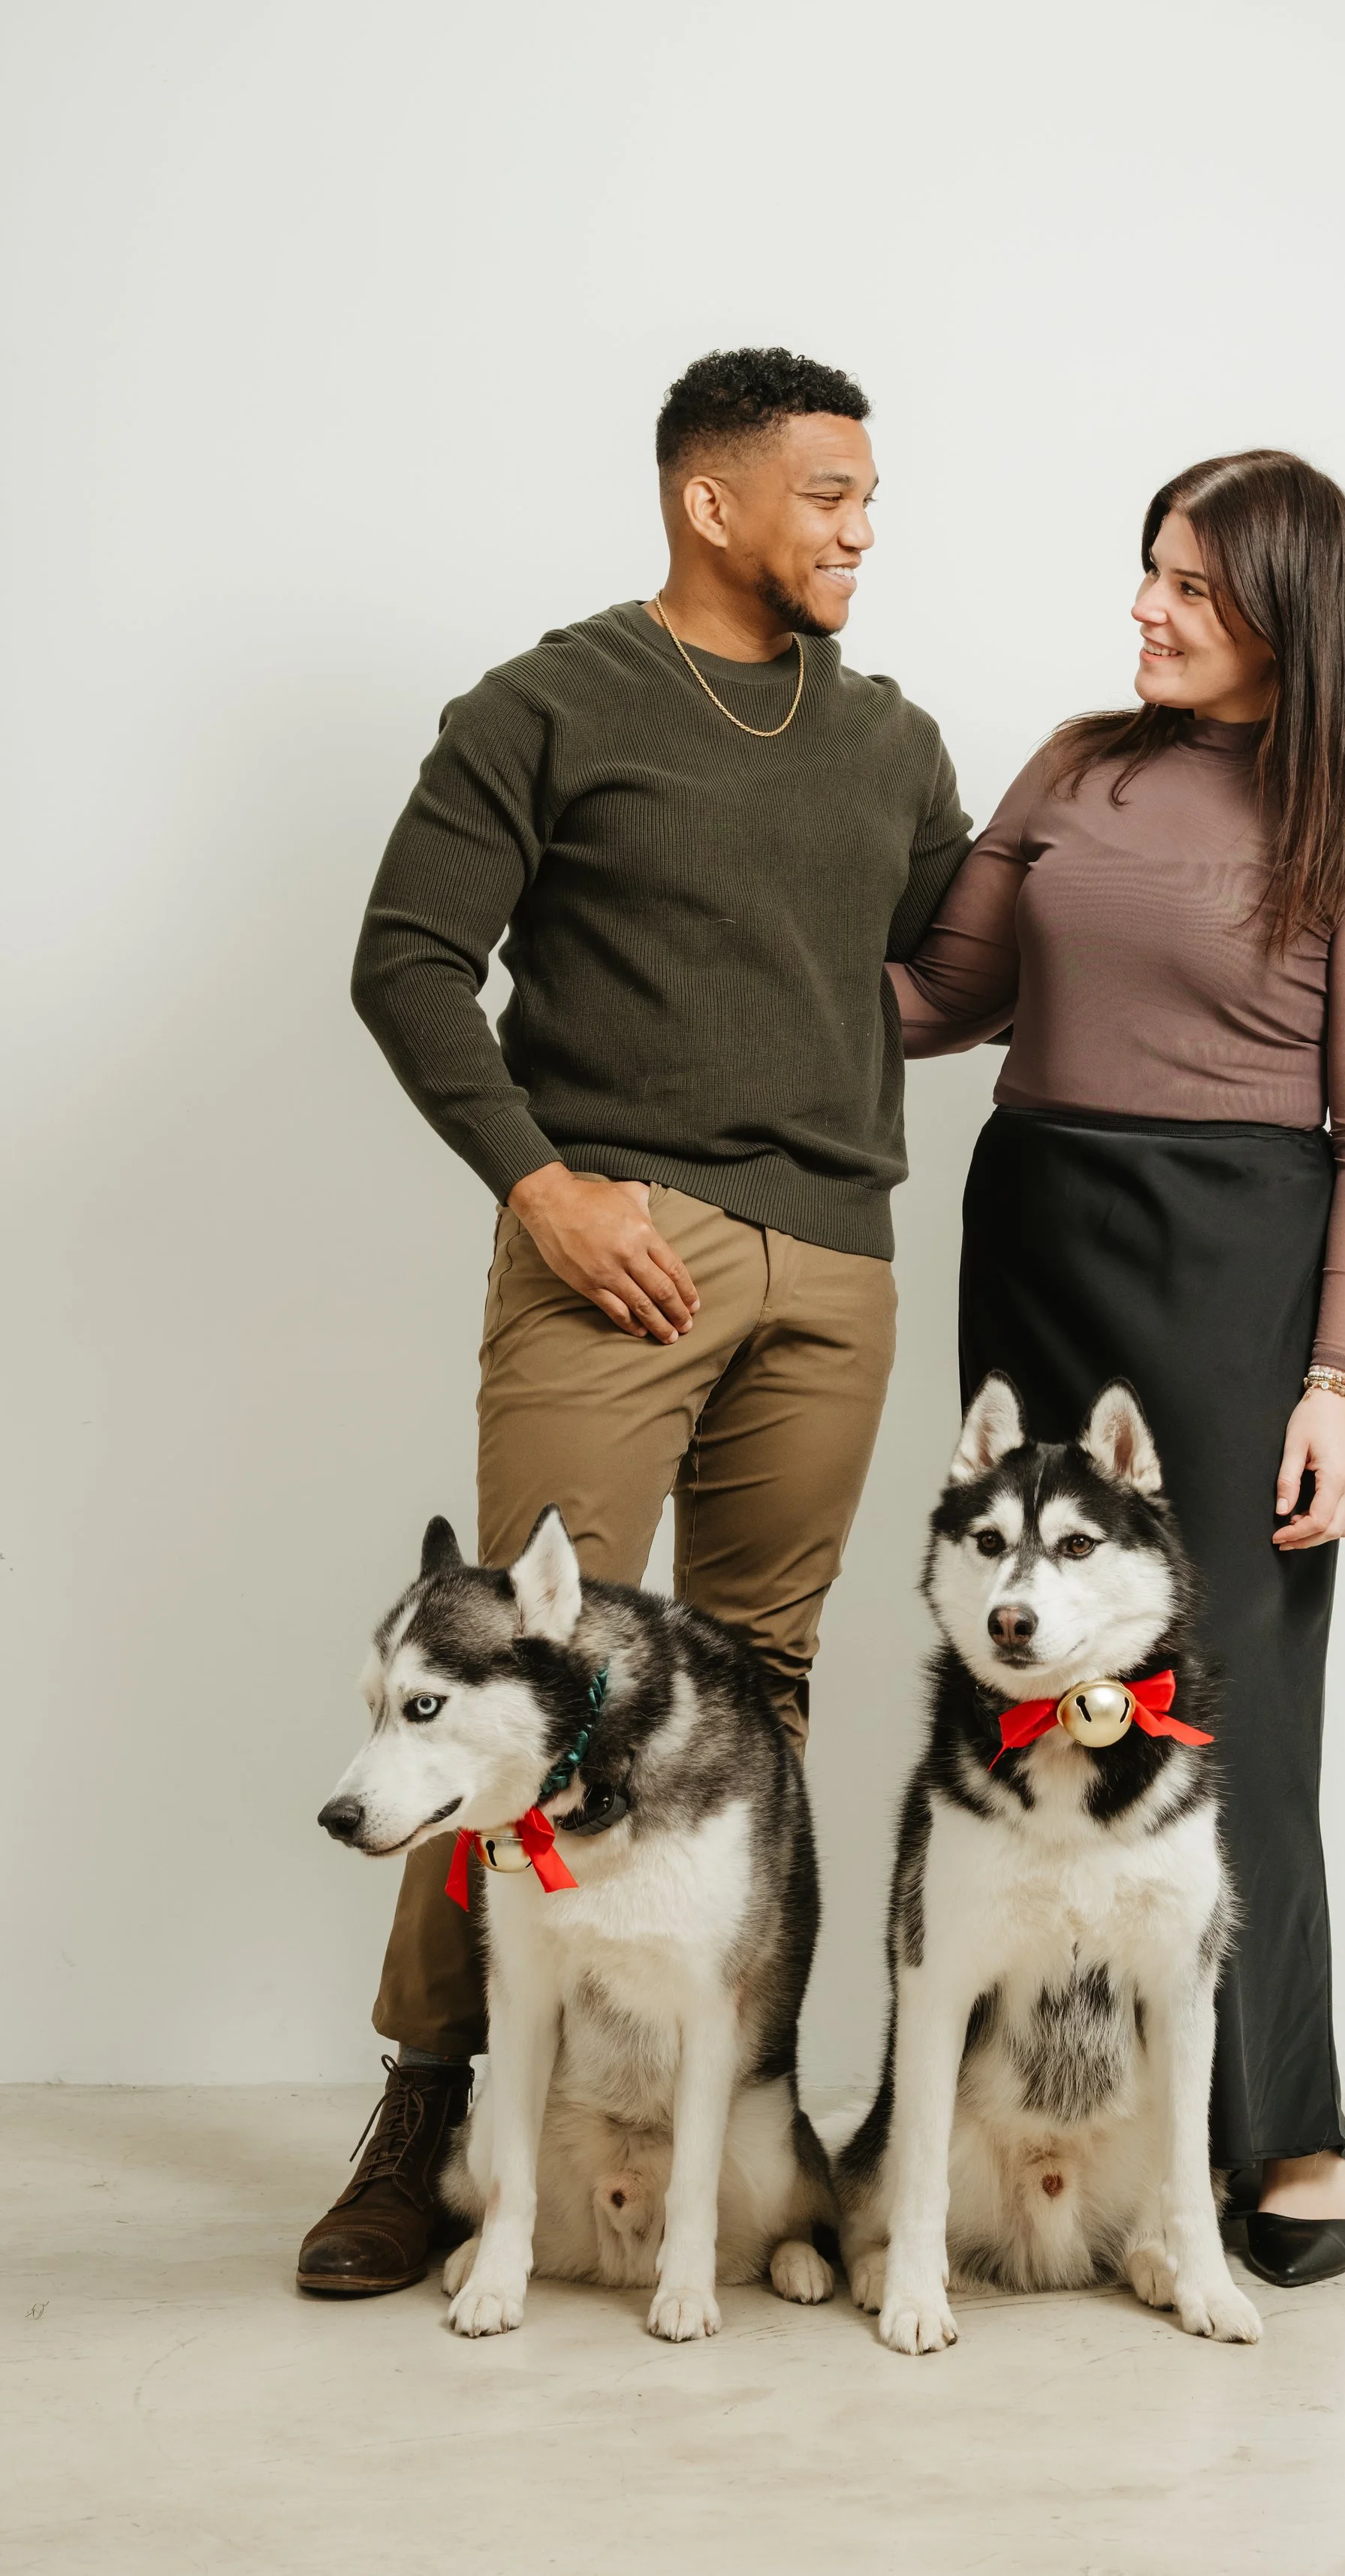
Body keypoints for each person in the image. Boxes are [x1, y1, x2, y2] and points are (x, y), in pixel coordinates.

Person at [297, 348, 970, 2298]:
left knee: (758, 1695)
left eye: (869, 494)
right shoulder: (546, 704)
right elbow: (407, 959)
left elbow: (949, 962)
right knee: (505, 1687)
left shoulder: (895, 739)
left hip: (832, 1263)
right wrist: (542, 1182)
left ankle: (737, 2111)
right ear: (711, 498)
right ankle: (430, 2098)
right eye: (830, 491)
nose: (863, 524)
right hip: (618, 1248)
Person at [890, 448, 1345, 2288]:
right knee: (1027, 1679)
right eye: (1146, 570)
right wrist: (713, 952)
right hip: (1038, 1228)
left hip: (1236, 1269)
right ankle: (1041, 2114)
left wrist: (1339, 1385)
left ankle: (1285, 2128)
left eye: (1190, 589)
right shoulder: (1071, 765)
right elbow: (938, 999)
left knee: (1234, 1714)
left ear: (1291, 622)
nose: (1145, 608)